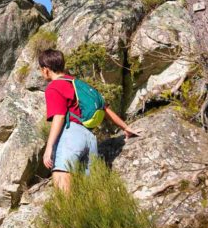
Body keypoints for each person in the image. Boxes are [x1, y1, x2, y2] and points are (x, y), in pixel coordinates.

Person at [38, 48, 138, 193]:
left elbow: (59, 117)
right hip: (90, 138)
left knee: (62, 186)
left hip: (71, 136)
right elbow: (105, 109)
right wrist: (126, 128)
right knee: (90, 190)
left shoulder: (54, 87)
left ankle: (67, 215)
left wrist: (49, 148)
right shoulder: (80, 84)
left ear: (46, 70)